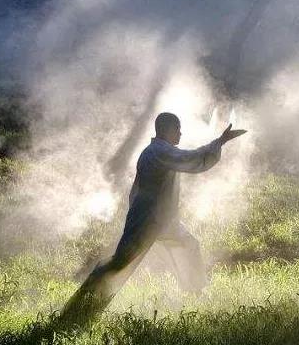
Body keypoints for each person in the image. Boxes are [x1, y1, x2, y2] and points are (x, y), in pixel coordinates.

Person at [58, 112, 246, 325]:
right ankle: (78, 309)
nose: (181, 133)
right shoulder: (158, 151)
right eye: (178, 129)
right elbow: (192, 160)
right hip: (146, 220)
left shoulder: (158, 151)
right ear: (166, 130)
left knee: (189, 244)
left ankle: (196, 294)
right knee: (119, 263)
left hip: (163, 220)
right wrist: (220, 141)